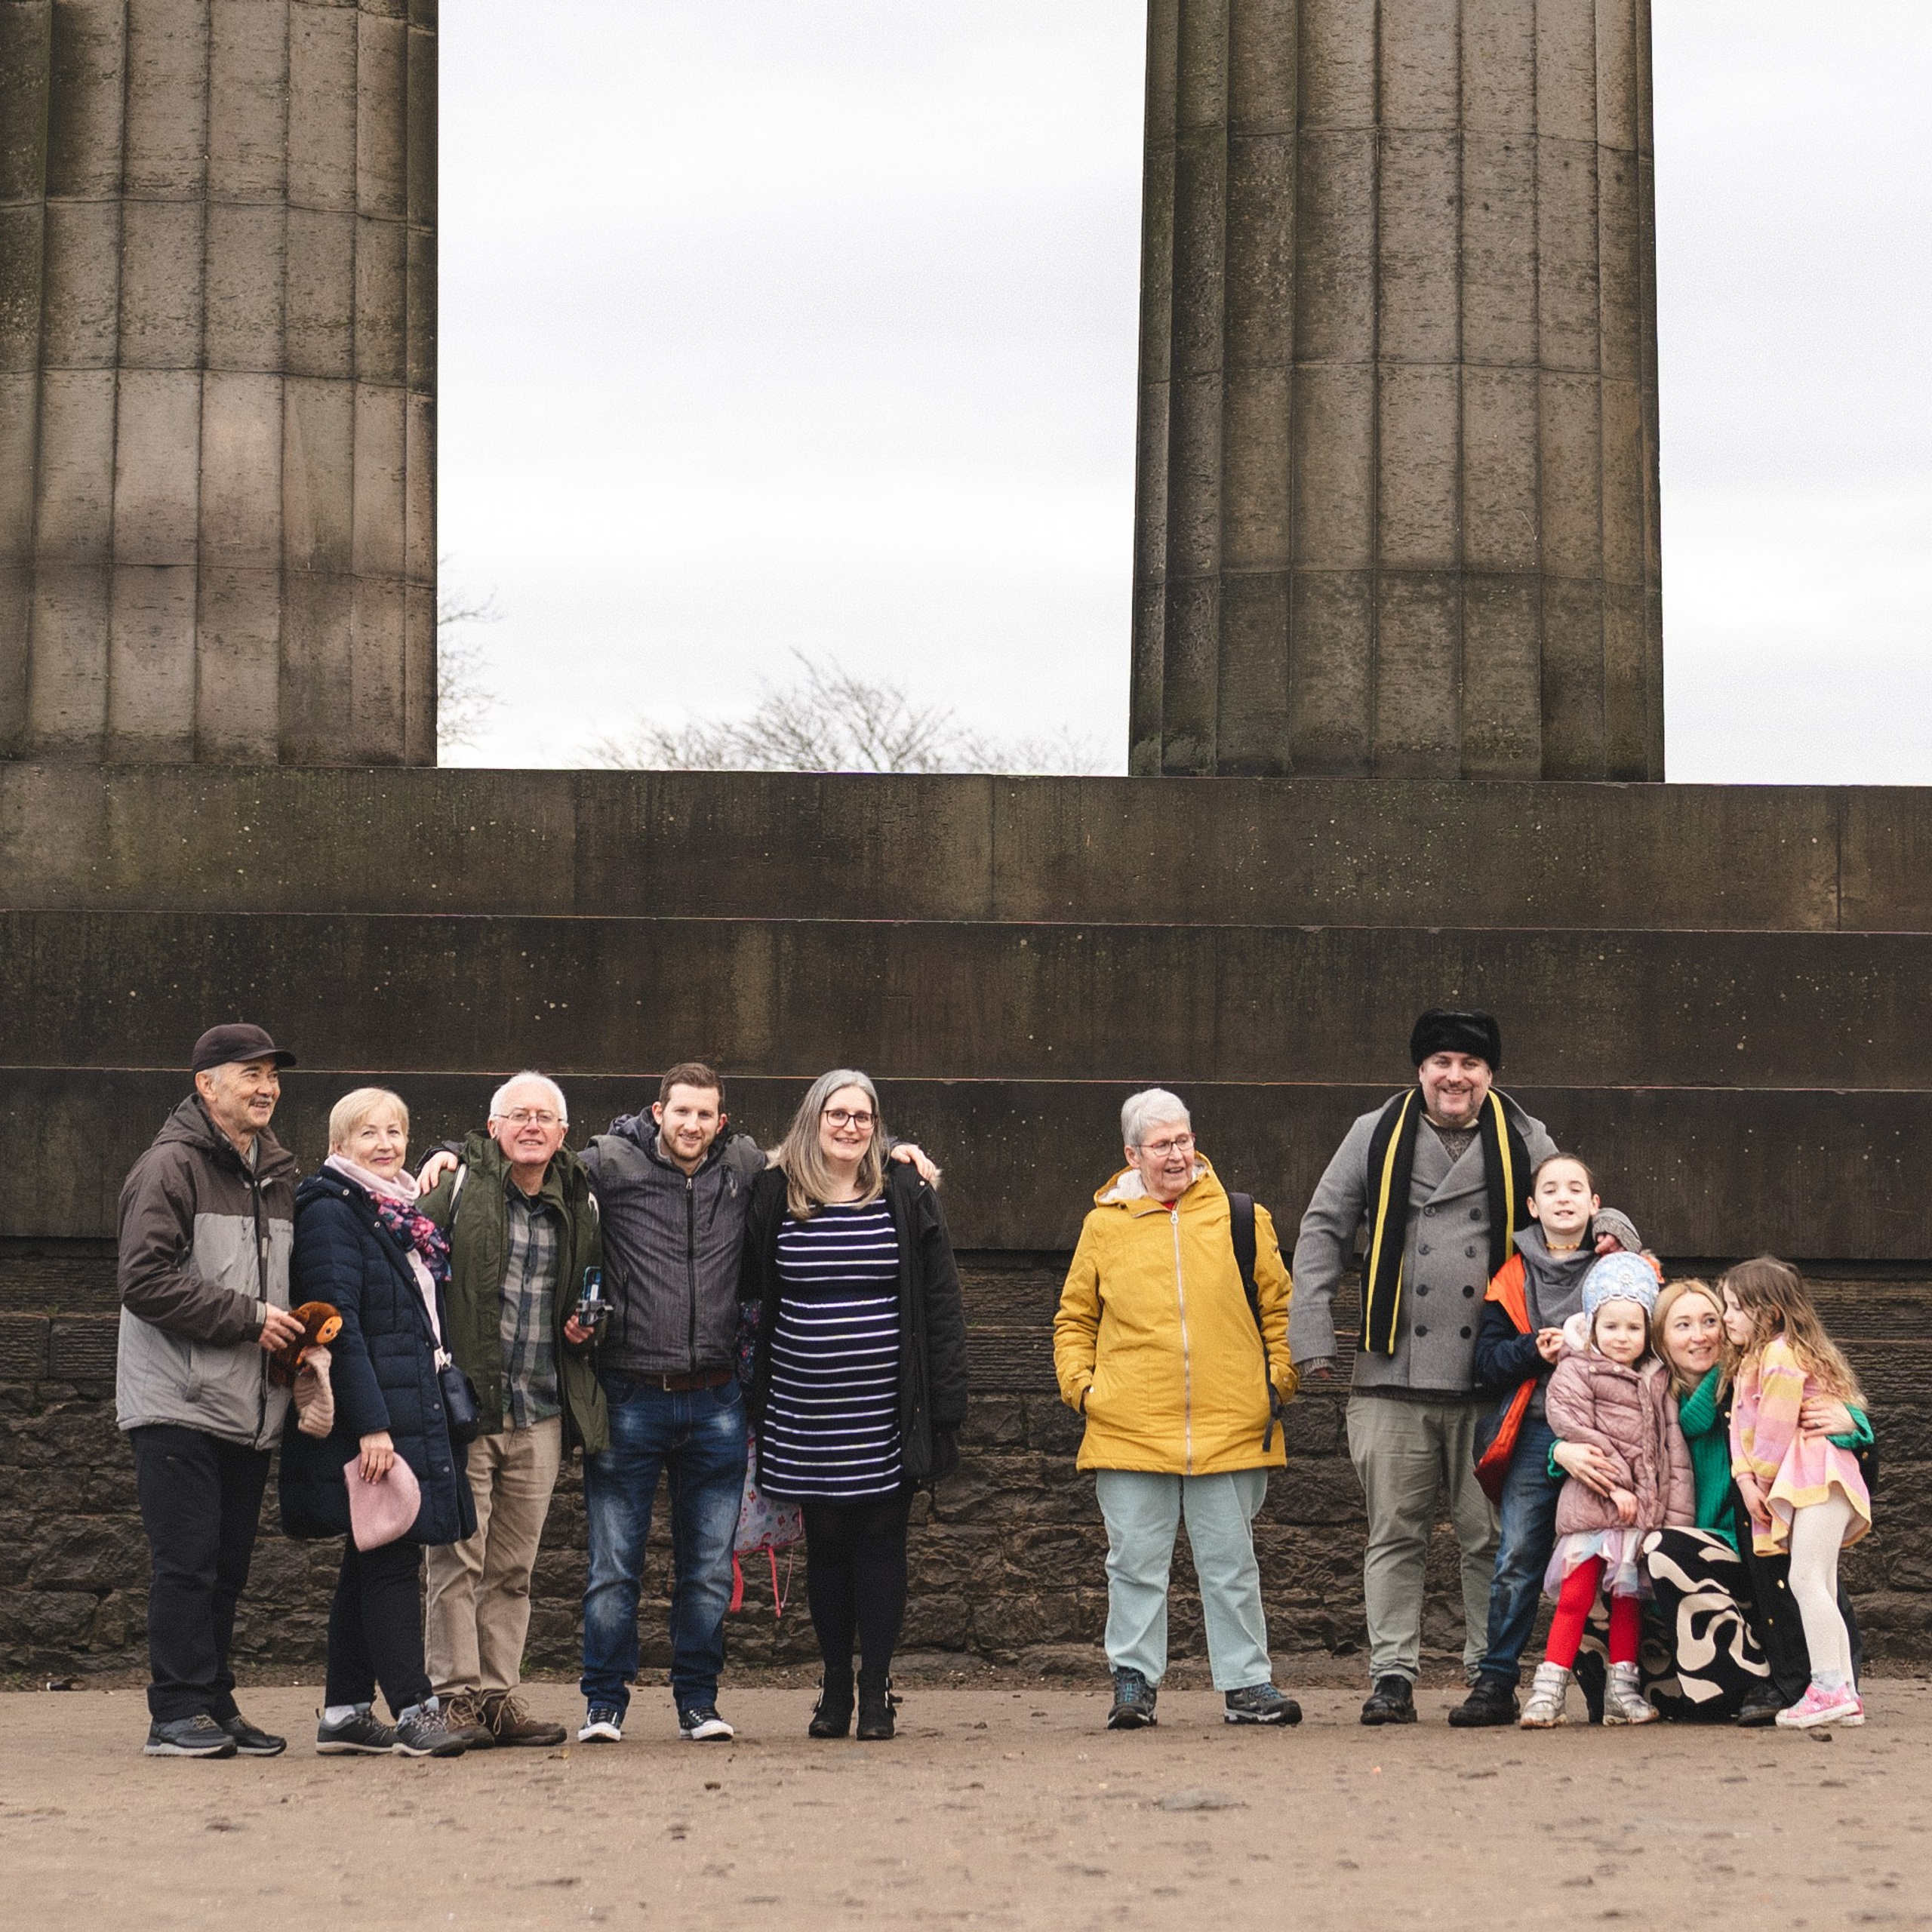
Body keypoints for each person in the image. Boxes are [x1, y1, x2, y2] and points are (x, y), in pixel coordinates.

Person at [558, 1061, 937, 1746]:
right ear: (658, 1111)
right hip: (662, 1396)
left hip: (749, 1402)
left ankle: (707, 1703)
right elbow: (537, 1158)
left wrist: (896, 1151)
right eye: (682, 1113)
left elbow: (933, 1297)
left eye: (706, 1115)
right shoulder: (627, 1164)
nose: (693, 1125)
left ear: (721, 1121)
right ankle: (604, 1705)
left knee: (714, 1568)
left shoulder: (768, 1172)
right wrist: (444, 1155)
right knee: (615, 1564)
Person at [1289, 1009, 1560, 1725]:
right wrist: (1312, 1331)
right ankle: (1392, 1675)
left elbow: (1571, 1214)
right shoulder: (1374, 1131)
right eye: (1442, 1061)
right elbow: (1324, 1226)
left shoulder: (1526, 1137)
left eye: (1470, 1064)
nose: (1455, 1076)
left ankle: (1486, 1673)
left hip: (1492, 1374)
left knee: (1488, 1538)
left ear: (1490, 1075)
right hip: (1392, 1369)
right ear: (1420, 1069)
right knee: (1395, 1532)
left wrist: (1617, 1239)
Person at [1054, 1088, 1301, 1731]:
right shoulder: (1103, 1225)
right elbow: (1074, 1319)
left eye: (1184, 1140)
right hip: (1128, 1424)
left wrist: (1276, 1384)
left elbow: (1281, 1311)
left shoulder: (1242, 1216)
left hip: (1231, 1422)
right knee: (1133, 1563)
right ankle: (1133, 1684)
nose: (1177, 1154)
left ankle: (1247, 1684)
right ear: (1132, 1154)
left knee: (1232, 1564)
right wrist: (1083, 1388)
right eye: (1161, 1144)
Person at [742, 1069, 968, 1741]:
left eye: (863, 1117)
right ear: (813, 1119)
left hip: (886, 1411)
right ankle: (835, 1688)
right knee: (828, 1547)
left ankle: (877, 1692)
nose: (849, 1127)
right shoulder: (774, 1192)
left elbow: (941, 1303)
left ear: (877, 1125)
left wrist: (947, 1404)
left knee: (881, 1543)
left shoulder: (904, 1190)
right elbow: (752, 1296)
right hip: (803, 1408)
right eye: (837, 1114)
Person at [116, 1022, 306, 1759]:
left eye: (272, 1075)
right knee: (187, 1560)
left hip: (248, 1403)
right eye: (249, 1074)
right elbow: (143, 1280)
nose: (266, 1088)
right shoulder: (170, 1167)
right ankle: (175, 1711)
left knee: (227, 1567)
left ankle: (214, 1701)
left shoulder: (277, 1172)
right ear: (206, 1085)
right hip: (177, 1398)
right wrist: (249, 1319)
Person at [280, 1088, 474, 1757]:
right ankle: (417, 1712)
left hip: (404, 1409)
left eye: (397, 1130)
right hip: (376, 1422)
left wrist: (447, 1151)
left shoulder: (393, 1210)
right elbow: (339, 1325)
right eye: (369, 1133)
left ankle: (344, 1712)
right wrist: (372, 1427)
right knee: (391, 1560)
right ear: (339, 1145)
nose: (387, 1143)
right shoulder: (334, 1214)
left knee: (369, 1560)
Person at [416, 1072, 607, 1749]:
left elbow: (598, 1293)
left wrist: (591, 1328)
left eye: (545, 1117)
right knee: (455, 1560)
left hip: (543, 1410)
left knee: (514, 1568)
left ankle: (499, 1694)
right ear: (492, 1127)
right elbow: (408, 1275)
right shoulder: (456, 1186)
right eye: (517, 1115)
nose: (532, 1126)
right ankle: (454, 1697)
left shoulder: (582, 1195)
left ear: (562, 1133)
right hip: (467, 1410)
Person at [1588, 1277, 1872, 1721]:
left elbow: (1830, 1433)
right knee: (1603, 1572)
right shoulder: (1647, 1400)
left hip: (1759, 1554)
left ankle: (1758, 1683)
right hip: (1696, 1567)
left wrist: (1853, 1422)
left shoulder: (1753, 1382)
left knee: (1667, 1548)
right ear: (1660, 1339)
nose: (1699, 1334)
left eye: (1710, 1320)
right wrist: (1559, 1451)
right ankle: (1680, 1684)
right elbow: (1587, 1429)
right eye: (1682, 1325)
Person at [1454, 1156, 1644, 1726]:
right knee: (1517, 1554)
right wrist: (1534, 1351)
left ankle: (1630, 1680)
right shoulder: (1512, 1275)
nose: (1564, 1199)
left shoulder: (1619, 1263)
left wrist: (1627, 1237)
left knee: (1626, 1561)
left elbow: (1655, 1323)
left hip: (1619, 1432)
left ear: (1595, 1203)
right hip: (1538, 1432)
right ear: (1533, 1207)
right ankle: (1497, 1681)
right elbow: (1485, 1364)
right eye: (1550, 1190)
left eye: (1576, 1189)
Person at [1519, 1254, 1693, 1727]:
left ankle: (1623, 1690)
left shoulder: (1658, 1380)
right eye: (1611, 1327)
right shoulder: (1577, 1371)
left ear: (1647, 1332)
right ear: (1593, 1326)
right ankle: (1549, 1688)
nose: (1622, 1338)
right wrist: (1618, 1487)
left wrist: (1674, 1525)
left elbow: (1670, 1450)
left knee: (1628, 1604)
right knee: (1576, 1598)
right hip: (1594, 1508)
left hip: (1641, 1515)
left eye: (1633, 1328)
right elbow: (1576, 1427)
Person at [1722, 1256, 1873, 1728]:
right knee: (1820, 1581)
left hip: (1817, 1475)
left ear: (1767, 1313)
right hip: (1816, 1478)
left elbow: (1771, 1432)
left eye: (1734, 1308)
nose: (1726, 1317)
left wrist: (1759, 1483)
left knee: (1807, 1579)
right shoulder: (1758, 1358)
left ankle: (1828, 1688)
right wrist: (1746, 1479)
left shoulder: (1780, 1356)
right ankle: (1843, 1692)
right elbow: (1739, 1432)